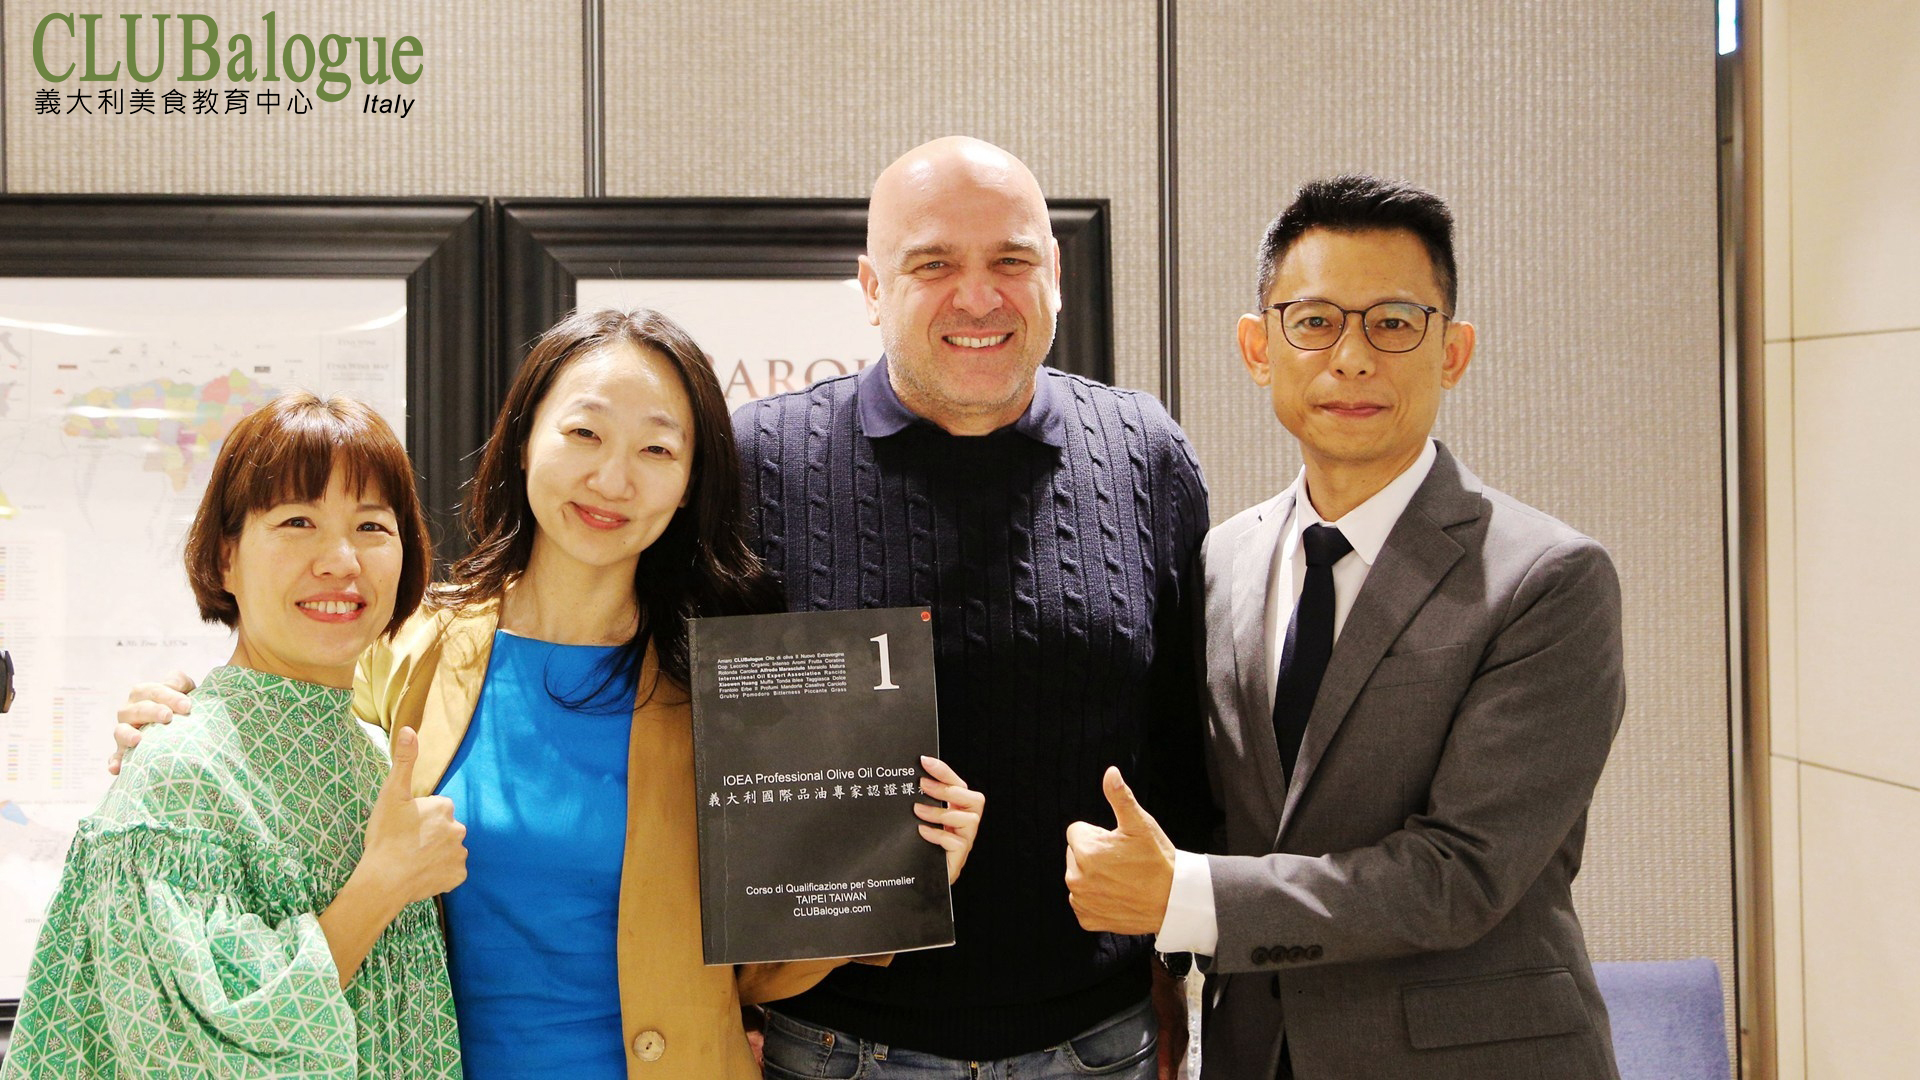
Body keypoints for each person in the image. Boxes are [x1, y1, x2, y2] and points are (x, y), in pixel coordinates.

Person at [112, 309, 983, 1079]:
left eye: (657, 449)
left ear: (690, 483)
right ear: (525, 440)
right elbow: (284, 824)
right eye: (585, 434)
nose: (614, 479)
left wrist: (894, 870)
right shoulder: (402, 650)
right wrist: (185, 725)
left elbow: (753, 971)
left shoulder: (726, 689)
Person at [1062, 175, 1626, 1079]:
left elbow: (1462, 875)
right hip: (1254, 1054)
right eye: (1315, 321)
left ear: (1453, 351)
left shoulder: (1548, 579)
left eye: (1394, 322)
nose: (1353, 358)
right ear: (1259, 348)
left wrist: (1187, 896)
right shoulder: (1220, 560)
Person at [736, 137, 1213, 1080]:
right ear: (872, 288)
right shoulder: (759, 463)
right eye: (933, 265)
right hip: (831, 1048)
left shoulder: (1146, 454)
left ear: (1055, 273)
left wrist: (1176, 966)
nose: (979, 296)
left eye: (1011, 260)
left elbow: (1185, 749)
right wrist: (726, 1003)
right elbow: (694, 763)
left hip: (1100, 1043)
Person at [5, 393, 466, 1078]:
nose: (341, 560)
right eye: (298, 521)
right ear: (226, 559)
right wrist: (382, 884)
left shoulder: (371, 756)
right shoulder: (179, 769)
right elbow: (198, 1054)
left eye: (372, 525)